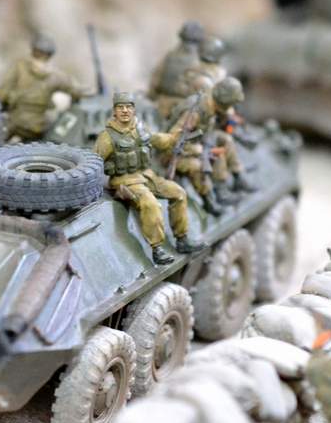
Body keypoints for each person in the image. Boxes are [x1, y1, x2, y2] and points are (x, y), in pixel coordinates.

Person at [92, 92, 206, 266]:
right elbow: (94, 161)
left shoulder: (140, 128)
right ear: (114, 111)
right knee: (150, 204)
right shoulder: (107, 137)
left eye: (128, 107)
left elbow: (159, 140)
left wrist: (176, 137)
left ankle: (182, 239)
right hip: (125, 180)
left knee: (178, 193)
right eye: (120, 107)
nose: (125, 111)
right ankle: (157, 248)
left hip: (147, 175)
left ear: (133, 109)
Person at [167, 77, 256, 215]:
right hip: (173, 153)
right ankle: (209, 200)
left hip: (197, 141)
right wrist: (199, 150)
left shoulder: (212, 101)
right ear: (224, 101)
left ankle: (229, 183)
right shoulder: (195, 112)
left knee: (225, 140)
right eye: (231, 103)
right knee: (198, 166)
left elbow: (218, 123)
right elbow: (172, 139)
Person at [0, 33, 85, 142]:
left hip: (14, 122)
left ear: (33, 50)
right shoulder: (56, 76)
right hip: (37, 127)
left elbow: (2, 94)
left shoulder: (19, 66)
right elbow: (76, 91)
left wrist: (4, 106)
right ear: (50, 55)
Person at [149, 20, 204, 119]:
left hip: (163, 103)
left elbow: (156, 80)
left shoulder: (170, 56)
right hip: (186, 108)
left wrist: (151, 97)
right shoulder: (200, 61)